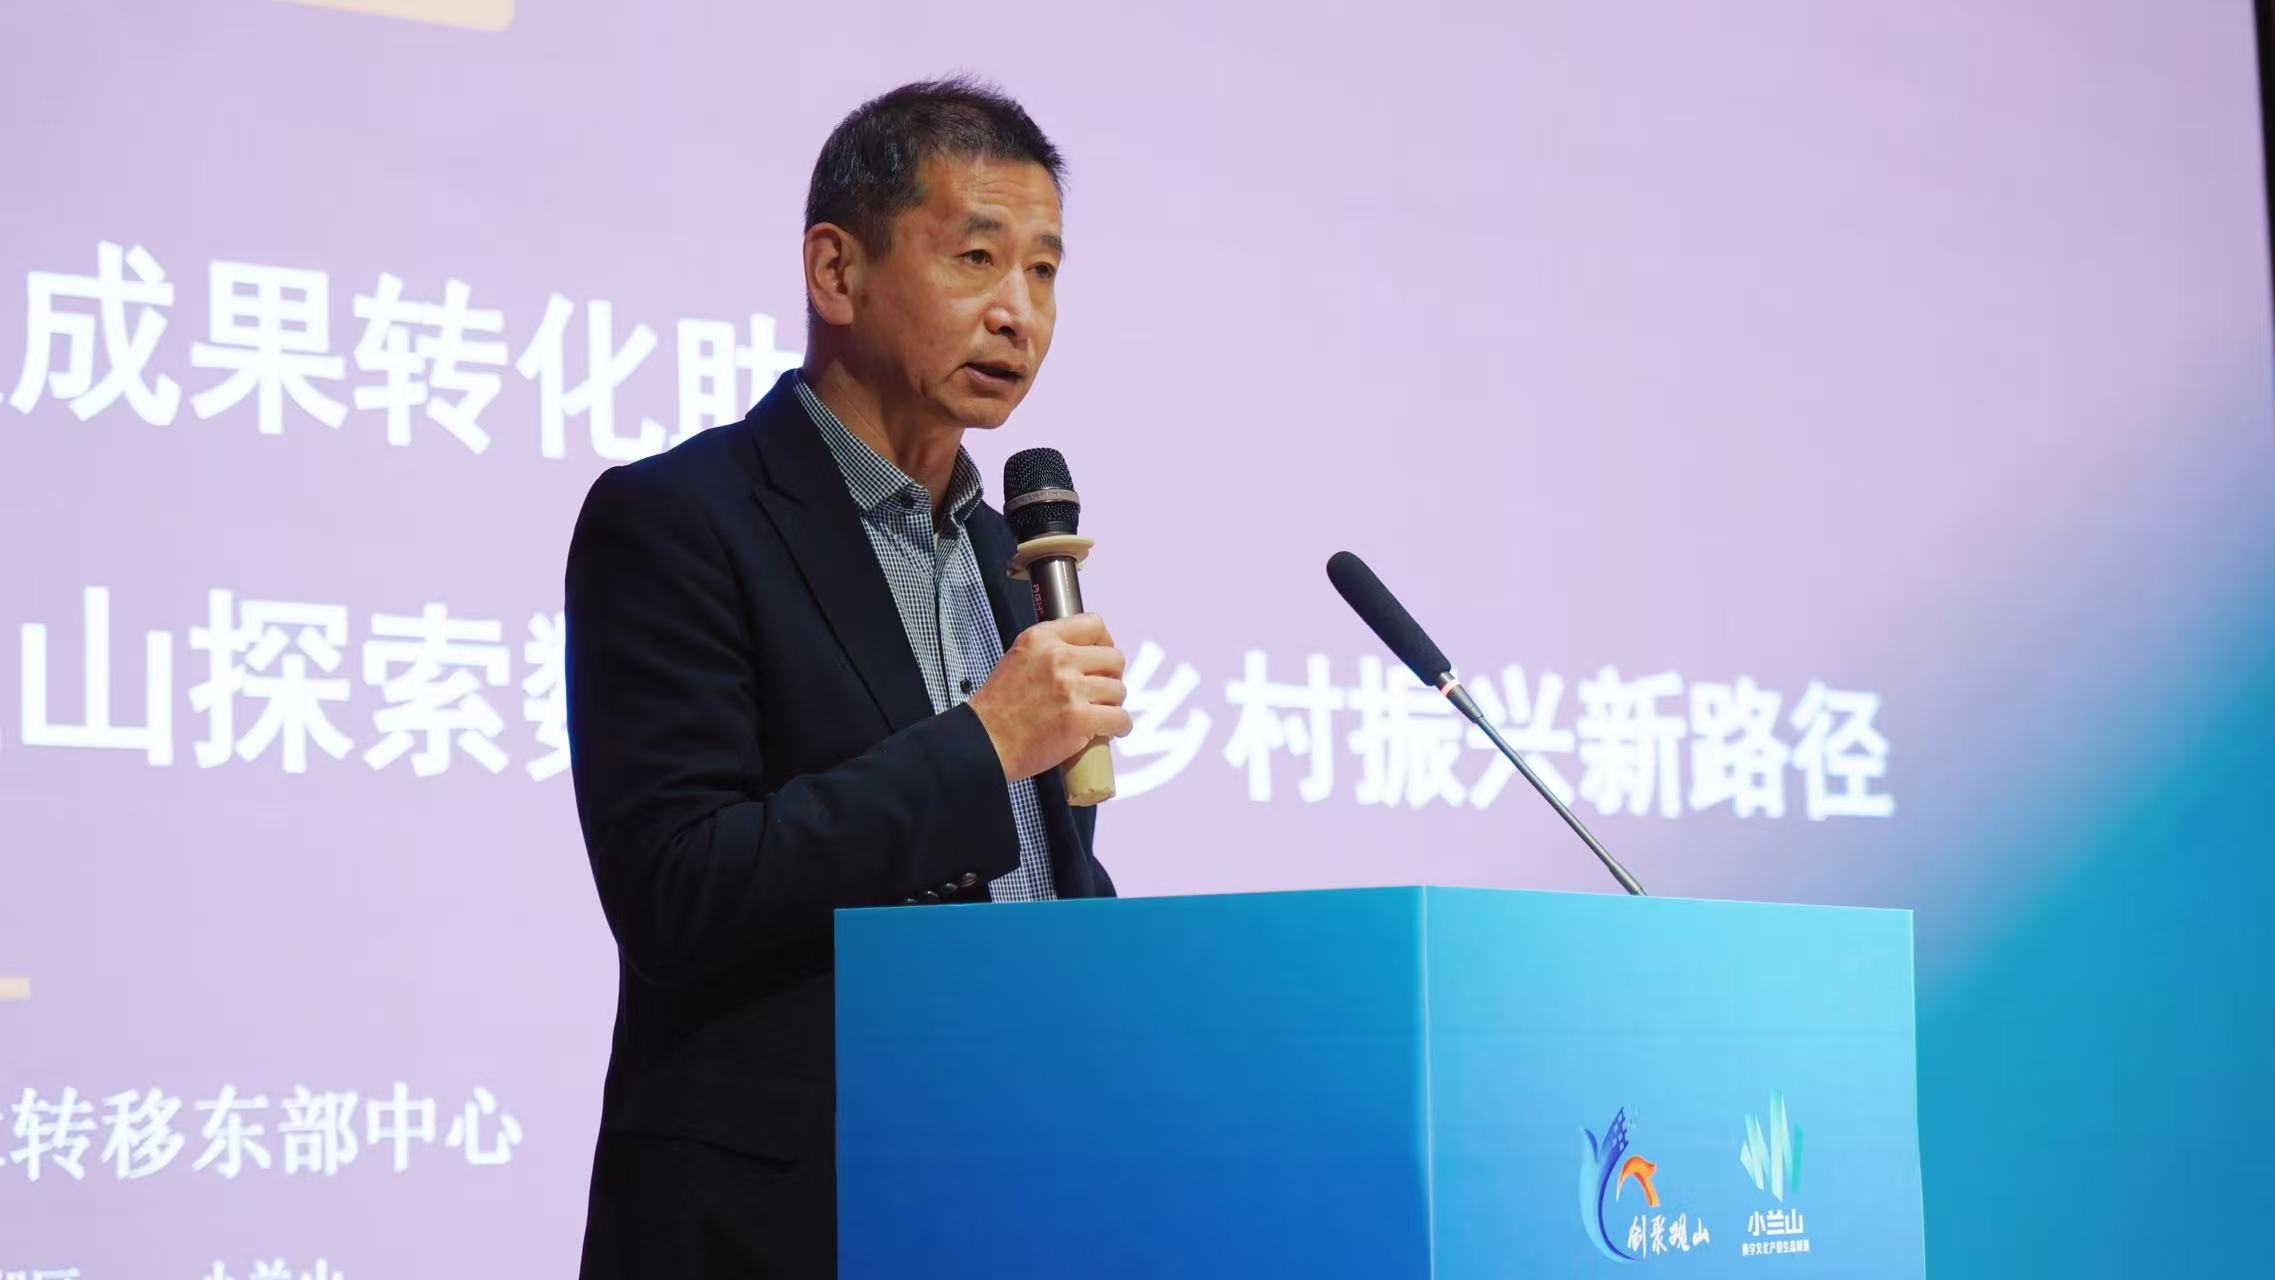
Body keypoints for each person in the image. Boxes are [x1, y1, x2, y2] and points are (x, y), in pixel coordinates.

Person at [566, 77, 1130, 1278]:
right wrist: (983, 744)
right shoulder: (680, 521)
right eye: (977, 257)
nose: (1018, 311)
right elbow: (677, 887)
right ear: (836, 270)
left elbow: (1031, 888)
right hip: (780, 1220)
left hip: (1011, 1197)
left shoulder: (1007, 554)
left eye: (1043, 271)